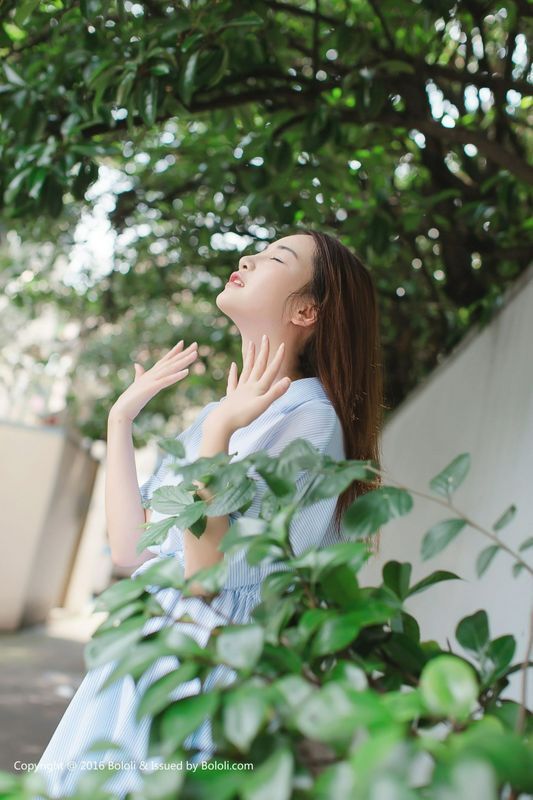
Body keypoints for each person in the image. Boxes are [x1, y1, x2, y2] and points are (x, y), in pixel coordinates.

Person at [34, 230, 384, 798]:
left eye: (275, 258)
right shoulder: (223, 413)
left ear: (306, 309)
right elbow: (133, 548)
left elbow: (206, 578)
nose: (248, 258)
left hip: (207, 668)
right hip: (147, 659)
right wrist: (121, 419)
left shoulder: (311, 421)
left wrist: (220, 433)